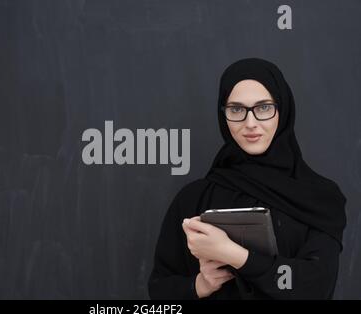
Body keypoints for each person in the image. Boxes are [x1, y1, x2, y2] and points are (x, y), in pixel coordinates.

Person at [147, 58, 347, 300]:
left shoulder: (319, 197)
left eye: (263, 108)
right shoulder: (194, 197)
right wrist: (200, 285)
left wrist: (233, 255)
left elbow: (315, 287)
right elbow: (160, 292)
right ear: (224, 114)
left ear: (282, 111)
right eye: (236, 109)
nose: (250, 123)